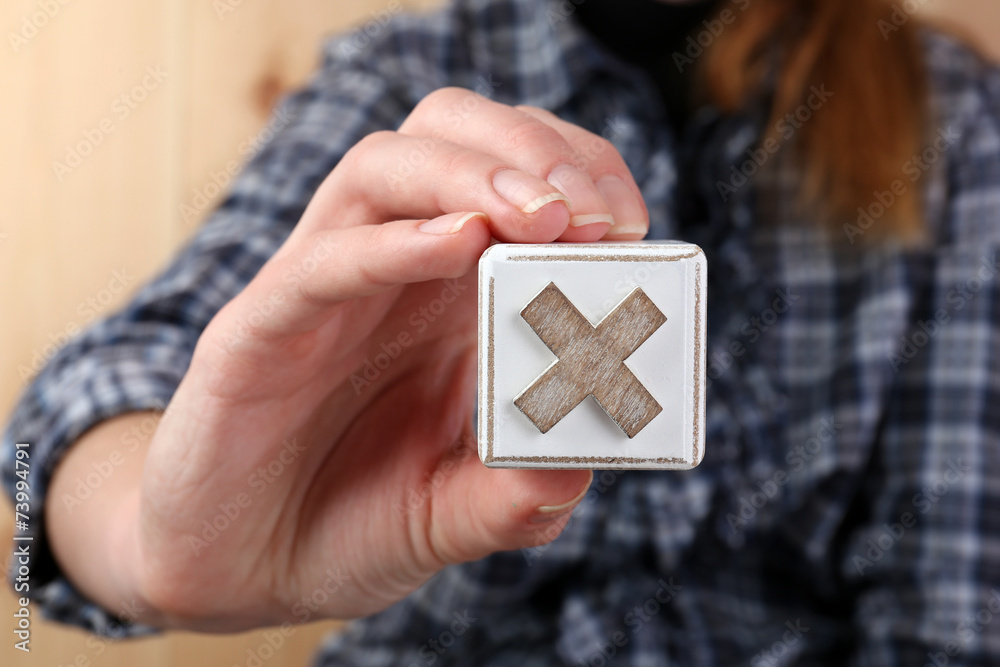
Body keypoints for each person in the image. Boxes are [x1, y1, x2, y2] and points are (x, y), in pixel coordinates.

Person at [5, 0, 1000, 663]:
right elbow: (79, 409)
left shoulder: (953, 124)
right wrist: (151, 542)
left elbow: (947, 611)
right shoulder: (404, 75)